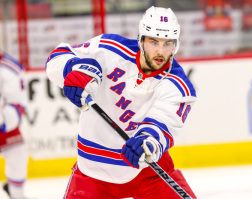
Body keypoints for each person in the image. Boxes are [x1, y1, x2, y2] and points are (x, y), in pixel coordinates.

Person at [46, 6, 197, 199]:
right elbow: (57, 56)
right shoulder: (109, 49)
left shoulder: (178, 86)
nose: (160, 51)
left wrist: (149, 142)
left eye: (167, 44)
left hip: (147, 172)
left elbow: (163, 124)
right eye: (153, 42)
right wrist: (75, 70)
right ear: (141, 40)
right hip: (93, 170)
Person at [0, 49, 28, 199]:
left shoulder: (9, 68)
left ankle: (17, 195)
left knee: (17, 157)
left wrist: (5, 120)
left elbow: (18, 103)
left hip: (3, 123)